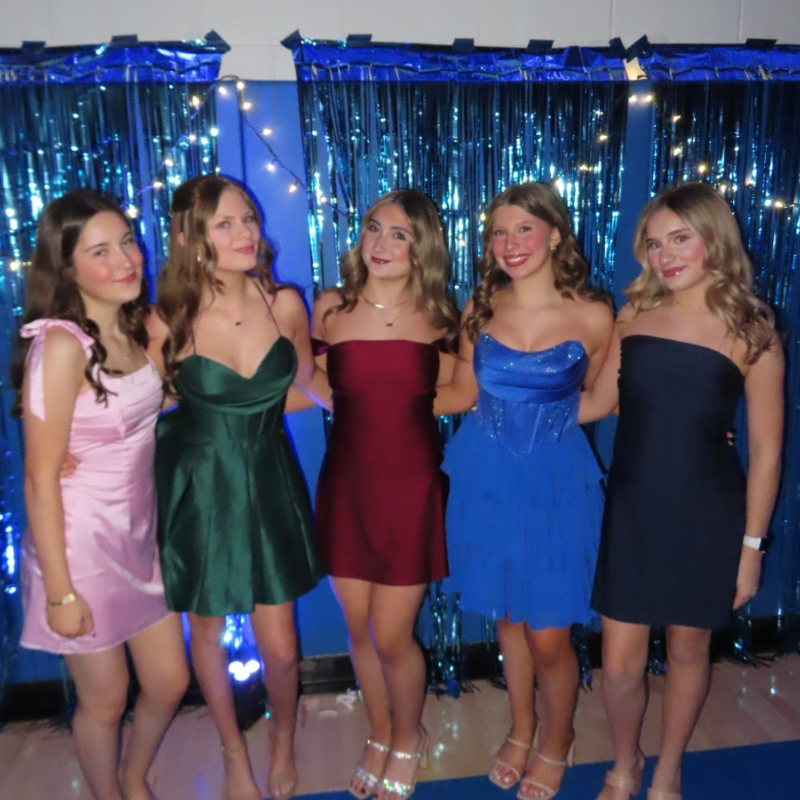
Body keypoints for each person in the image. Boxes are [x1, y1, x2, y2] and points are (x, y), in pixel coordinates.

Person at [580, 182, 784, 800]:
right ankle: (625, 762)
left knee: (690, 650)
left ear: (713, 239)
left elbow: (769, 448)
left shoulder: (754, 330)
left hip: (707, 510)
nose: (666, 255)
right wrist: (514, 397)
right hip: (634, 508)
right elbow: (595, 402)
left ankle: (667, 769)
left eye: (680, 238)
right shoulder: (633, 315)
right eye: (654, 242)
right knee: (618, 663)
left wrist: (751, 547)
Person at [434, 182, 614, 800]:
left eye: (524, 230)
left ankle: (557, 740)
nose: (509, 245)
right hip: (486, 475)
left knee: (549, 630)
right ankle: (521, 726)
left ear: (556, 234)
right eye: (497, 232)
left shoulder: (594, 314)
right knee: (507, 613)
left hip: (556, 479)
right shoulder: (478, 309)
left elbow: (601, 400)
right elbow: (462, 392)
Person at [149, 175, 325, 800]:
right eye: (225, 223)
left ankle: (281, 738)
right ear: (191, 238)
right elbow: (151, 406)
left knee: (280, 649)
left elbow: (305, 383)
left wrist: (387, 405)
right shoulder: (164, 320)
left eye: (248, 218)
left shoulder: (285, 304)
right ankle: (233, 753)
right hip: (201, 485)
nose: (246, 232)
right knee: (209, 632)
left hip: (269, 476)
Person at [15, 190, 190, 800]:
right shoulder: (61, 344)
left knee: (168, 681)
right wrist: (60, 592)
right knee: (107, 697)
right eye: (100, 251)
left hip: (139, 534)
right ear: (66, 269)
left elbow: (155, 403)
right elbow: (40, 478)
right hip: (78, 543)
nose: (125, 260)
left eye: (127, 242)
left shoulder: (140, 325)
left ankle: (133, 776)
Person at [311, 189, 458, 800]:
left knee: (393, 635)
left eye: (399, 234)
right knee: (359, 629)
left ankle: (409, 736)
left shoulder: (443, 318)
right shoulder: (329, 309)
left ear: (422, 247)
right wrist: (349, 404)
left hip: (409, 485)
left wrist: (406, 413)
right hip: (346, 483)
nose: (381, 244)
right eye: (374, 229)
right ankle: (379, 734)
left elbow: (461, 391)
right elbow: (309, 375)